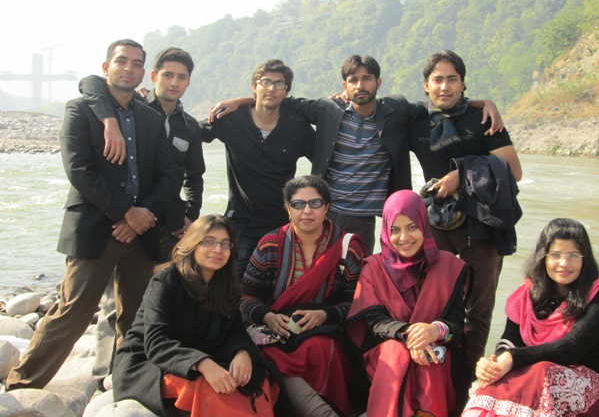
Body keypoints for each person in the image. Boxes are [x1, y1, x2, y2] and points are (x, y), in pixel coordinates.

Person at [6, 39, 177, 390]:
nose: (129, 68)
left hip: (141, 233)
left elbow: (168, 176)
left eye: (136, 63)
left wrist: (143, 213)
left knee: (136, 316)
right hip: (96, 229)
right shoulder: (81, 110)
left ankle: (128, 383)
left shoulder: (150, 119)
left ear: (143, 72)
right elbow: (79, 170)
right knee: (73, 311)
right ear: (106, 67)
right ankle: (22, 384)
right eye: (122, 61)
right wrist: (126, 212)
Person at [212, 54, 502, 256]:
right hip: (326, 212)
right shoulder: (328, 109)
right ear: (345, 86)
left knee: (357, 278)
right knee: (313, 275)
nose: (360, 85)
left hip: (366, 217)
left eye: (367, 79)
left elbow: (437, 105)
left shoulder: (397, 109)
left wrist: (480, 102)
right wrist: (244, 100)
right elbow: (282, 100)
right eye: (353, 80)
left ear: (378, 82)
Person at [80, 47, 206, 381]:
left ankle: (141, 366)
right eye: (168, 75)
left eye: (181, 77)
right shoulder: (129, 109)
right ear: (153, 76)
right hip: (127, 218)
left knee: (158, 296)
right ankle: (103, 372)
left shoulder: (188, 126)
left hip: (169, 223)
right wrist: (127, 214)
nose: (174, 82)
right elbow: (91, 84)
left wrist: (191, 216)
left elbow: (194, 176)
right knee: (113, 301)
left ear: (189, 81)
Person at [409, 50, 523, 371]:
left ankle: (465, 380)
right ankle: (435, 375)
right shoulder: (416, 120)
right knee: (433, 301)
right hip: (437, 223)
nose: (445, 87)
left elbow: (514, 170)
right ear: (426, 85)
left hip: (482, 224)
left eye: (452, 79)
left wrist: (461, 173)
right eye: (438, 80)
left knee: (478, 311)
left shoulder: (482, 119)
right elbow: (376, 111)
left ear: (463, 83)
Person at [463, 218, 599, 417]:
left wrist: (512, 358)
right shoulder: (526, 295)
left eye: (573, 255)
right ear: (543, 257)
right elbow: (509, 341)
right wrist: (494, 364)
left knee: (544, 372)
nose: (564, 263)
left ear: (585, 259)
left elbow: (570, 348)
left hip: (590, 390)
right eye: (556, 255)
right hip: (537, 378)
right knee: (493, 381)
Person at [112, 214, 278, 417]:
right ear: (192, 244)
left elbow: (235, 330)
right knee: (211, 391)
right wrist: (202, 364)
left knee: (257, 381)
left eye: (225, 244)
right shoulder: (167, 279)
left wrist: (242, 353)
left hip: (204, 354)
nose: (218, 249)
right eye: (209, 242)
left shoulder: (225, 283)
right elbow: (156, 342)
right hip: (152, 362)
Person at [240, 175, 365, 417]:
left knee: (318, 348)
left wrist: (324, 315)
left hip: (325, 332)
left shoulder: (347, 247)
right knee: (266, 353)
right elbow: (246, 298)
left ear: (326, 207)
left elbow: (358, 303)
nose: (307, 211)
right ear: (288, 209)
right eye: (298, 204)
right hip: (276, 331)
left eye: (315, 203)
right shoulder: (270, 245)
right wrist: (267, 317)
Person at [346, 189, 470, 417]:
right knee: (397, 352)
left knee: (431, 357)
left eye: (412, 227)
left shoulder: (448, 266)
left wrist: (435, 331)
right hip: (386, 351)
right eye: (395, 230)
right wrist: (412, 335)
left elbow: (456, 323)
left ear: (424, 224)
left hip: (435, 350)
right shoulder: (373, 268)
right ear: (386, 230)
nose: (404, 238)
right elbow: (376, 322)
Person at [200, 59, 315, 278]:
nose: (271, 88)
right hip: (241, 223)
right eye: (266, 82)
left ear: (286, 91)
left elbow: (324, 158)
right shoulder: (231, 119)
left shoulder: (296, 126)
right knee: (230, 286)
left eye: (279, 84)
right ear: (255, 87)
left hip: (281, 224)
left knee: (275, 287)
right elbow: (191, 135)